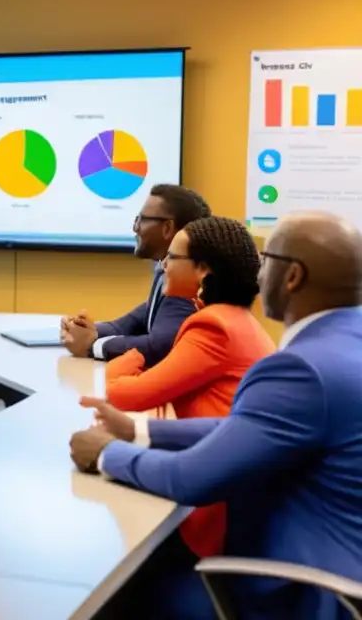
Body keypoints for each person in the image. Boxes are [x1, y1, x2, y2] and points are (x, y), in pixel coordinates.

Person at [70, 211, 362, 620]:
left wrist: (104, 454)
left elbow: (189, 479)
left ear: (293, 276)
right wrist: (139, 429)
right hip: (342, 569)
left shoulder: (303, 368)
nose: (258, 275)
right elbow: (245, 428)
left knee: (116, 587)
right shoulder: (347, 344)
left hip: (299, 594)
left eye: (267, 260)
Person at [104, 216, 275, 560]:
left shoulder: (213, 326)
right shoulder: (234, 319)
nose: (163, 264)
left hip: (213, 508)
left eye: (173, 257)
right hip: (231, 486)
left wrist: (125, 361)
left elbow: (127, 394)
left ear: (203, 272)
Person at [61, 184, 211, 367]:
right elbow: (126, 325)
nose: (135, 228)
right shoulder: (164, 271)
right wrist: (81, 331)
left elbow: (159, 347)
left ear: (167, 228)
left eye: (142, 219)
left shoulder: (184, 285)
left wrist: (92, 346)